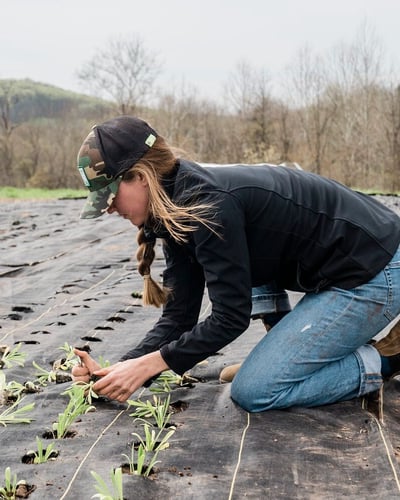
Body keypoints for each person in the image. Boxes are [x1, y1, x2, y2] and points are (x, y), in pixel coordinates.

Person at [72, 115, 400, 412]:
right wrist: (115, 369)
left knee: (256, 390)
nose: (110, 208)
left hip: (375, 270)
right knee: (239, 264)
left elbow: (230, 317)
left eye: (111, 195)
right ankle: (283, 351)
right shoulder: (175, 208)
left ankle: (386, 359)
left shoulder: (209, 206)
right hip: (344, 262)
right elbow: (179, 318)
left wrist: (150, 365)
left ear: (140, 176)